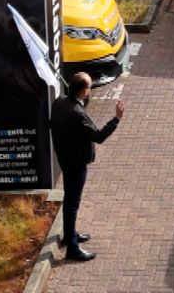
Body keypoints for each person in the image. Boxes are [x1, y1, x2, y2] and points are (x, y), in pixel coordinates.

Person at [51, 72, 125, 261]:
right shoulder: (77, 114)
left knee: (70, 200)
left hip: (65, 159)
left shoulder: (59, 103)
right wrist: (116, 119)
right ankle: (72, 248)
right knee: (72, 203)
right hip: (76, 163)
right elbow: (98, 136)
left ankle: (70, 235)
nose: (91, 90)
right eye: (89, 88)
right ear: (84, 90)